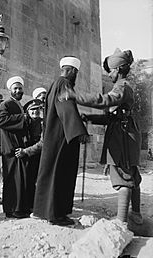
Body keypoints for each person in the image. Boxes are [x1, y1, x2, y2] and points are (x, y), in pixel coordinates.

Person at [60, 49, 143, 225]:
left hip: (123, 137)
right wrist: (90, 117)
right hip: (124, 133)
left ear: (119, 69)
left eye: (111, 71)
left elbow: (106, 100)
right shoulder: (122, 86)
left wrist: (76, 96)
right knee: (132, 175)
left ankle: (121, 221)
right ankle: (136, 215)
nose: (109, 74)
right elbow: (110, 117)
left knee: (123, 177)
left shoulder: (122, 86)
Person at [31, 56, 89, 226]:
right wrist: (80, 132)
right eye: (76, 73)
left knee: (50, 174)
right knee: (61, 174)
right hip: (62, 138)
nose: (75, 76)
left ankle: (43, 211)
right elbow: (66, 109)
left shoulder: (54, 84)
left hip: (54, 137)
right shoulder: (64, 84)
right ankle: (56, 215)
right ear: (71, 71)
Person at [0, 76, 30, 219]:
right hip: (10, 148)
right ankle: (11, 210)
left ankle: (19, 208)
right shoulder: (6, 104)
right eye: (15, 89)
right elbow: (0, 120)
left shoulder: (17, 104)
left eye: (20, 89)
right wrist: (21, 118)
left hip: (18, 146)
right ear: (10, 90)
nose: (18, 91)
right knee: (11, 180)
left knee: (19, 179)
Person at [20, 99, 43, 212]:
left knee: (41, 181)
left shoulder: (43, 123)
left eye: (37, 109)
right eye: (32, 110)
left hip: (40, 155)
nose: (35, 112)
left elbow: (42, 143)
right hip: (28, 157)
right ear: (28, 112)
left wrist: (26, 151)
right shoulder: (25, 123)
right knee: (29, 181)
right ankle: (29, 205)